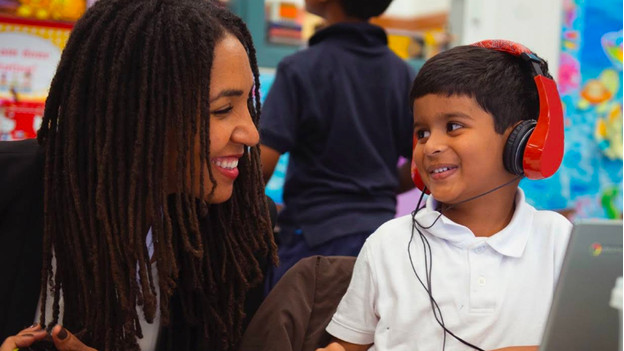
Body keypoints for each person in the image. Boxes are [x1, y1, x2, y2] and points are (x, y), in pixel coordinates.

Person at [0, 0, 277, 350]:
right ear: (137, 113)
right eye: (222, 109)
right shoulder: (10, 189)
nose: (251, 134)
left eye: (249, 104)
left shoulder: (242, 232)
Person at [316, 41, 572, 351]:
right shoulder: (389, 244)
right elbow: (347, 345)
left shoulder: (559, 242)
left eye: (453, 126)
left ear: (523, 142)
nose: (430, 146)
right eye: (422, 132)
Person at [260, 0, 416, 289]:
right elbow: (422, 162)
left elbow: (263, 163)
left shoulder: (300, 68)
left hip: (311, 246)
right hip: (381, 242)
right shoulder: (402, 74)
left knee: (287, 332)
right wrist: (375, 185)